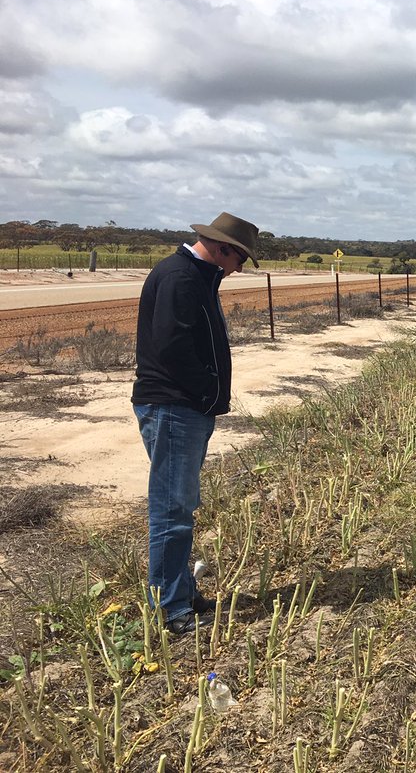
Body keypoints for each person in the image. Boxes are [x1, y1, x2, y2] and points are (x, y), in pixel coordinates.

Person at [132, 212, 260, 634]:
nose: (239, 268)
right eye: (240, 259)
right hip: (175, 407)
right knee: (172, 511)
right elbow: (172, 348)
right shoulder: (180, 277)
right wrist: (206, 392)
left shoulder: (197, 277)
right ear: (222, 248)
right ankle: (170, 610)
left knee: (181, 505)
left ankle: (182, 593)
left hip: (185, 408)